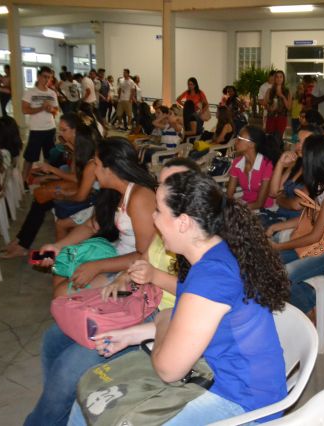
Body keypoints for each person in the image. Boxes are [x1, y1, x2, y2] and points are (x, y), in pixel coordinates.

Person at [67, 168, 289, 425]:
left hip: (241, 401)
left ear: (183, 222)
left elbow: (168, 369)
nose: (153, 217)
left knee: (103, 409)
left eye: (158, 211)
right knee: (90, 400)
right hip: (222, 373)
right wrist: (132, 334)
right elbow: (191, 320)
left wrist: (162, 320)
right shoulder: (214, 254)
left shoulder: (211, 278)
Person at [24, 160, 193, 426]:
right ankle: (57, 409)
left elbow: (201, 296)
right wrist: (124, 278)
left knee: (68, 368)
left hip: (162, 314)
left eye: (170, 185)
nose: (159, 191)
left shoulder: (199, 236)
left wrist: (153, 276)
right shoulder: (164, 222)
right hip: (140, 298)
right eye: (161, 183)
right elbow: (144, 256)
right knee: (52, 339)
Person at [41, 137, 157, 296]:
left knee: (62, 292)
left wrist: (98, 266)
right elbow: (91, 225)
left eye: (96, 164)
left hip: (132, 267)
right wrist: (57, 247)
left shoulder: (140, 198)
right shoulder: (114, 192)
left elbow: (145, 254)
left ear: (110, 169)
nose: (94, 171)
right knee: (60, 268)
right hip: (117, 254)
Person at [267, 134, 324, 317]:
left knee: (284, 274)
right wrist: (276, 227)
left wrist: (279, 246)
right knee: (269, 262)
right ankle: (313, 302)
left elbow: (315, 235)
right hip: (323, 243)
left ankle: (310, 311)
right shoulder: (321, 184)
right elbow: (308, 219)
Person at [1, 115, 99, 258]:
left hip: (90, 198)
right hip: (84, 192)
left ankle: (25, 244)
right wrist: (48, 176)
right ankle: (21, 241)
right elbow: (74, 176)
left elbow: (78, 183)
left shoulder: (88, 155)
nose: (61, 134)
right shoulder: (76, 148)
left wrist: (56, 182)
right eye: (60, 130)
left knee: (43, 202)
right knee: (40, 200)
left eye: (64, 130)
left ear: (75, 131)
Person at [227, 125, 280, 210]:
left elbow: (259, 204)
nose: (235, 141)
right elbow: (229, 194)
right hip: (245, 204)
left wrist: (238, 209)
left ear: (251, 144)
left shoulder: (266, 165)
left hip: (265, 209)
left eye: (240, 138)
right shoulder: (237, 162)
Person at [21, 66, 59, 184]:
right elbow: (25, 110)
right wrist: (41, 108)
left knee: (49, 156)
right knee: (30, 158)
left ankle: (46, 178)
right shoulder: (30, 92)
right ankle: (23, 180)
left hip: (50, 128)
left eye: (49, 77)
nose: (46, 80)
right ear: (38, 76)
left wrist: (51, 110)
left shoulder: (52, 93)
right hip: (36, 129)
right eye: (44, 77)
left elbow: (56, 111)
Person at [265, 70, 292, 141]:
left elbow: (289, 107)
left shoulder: (287, 91)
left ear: (283, 79)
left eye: (281, 77)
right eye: (277, 77)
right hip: (271, 118)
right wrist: (271, 108)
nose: (279, 79)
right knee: (269, 138)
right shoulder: (269, 91)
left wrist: (282, 96)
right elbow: (266, 105)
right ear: (275, 79)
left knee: (278, 139)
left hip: (282, 118)